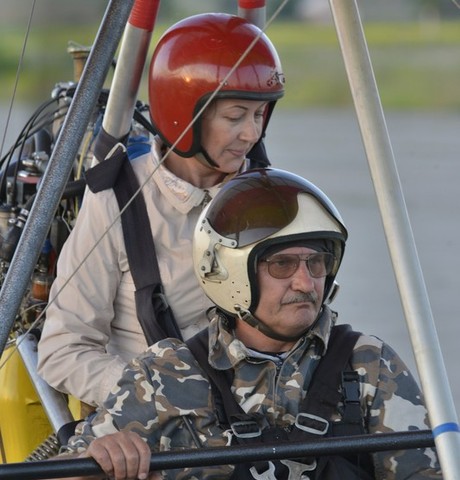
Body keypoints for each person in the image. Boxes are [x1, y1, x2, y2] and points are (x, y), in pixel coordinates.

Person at [54, 168, 442, 480]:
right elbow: (61, 473)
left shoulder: (369, 366)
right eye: (282, 264)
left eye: (317, 262)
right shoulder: (166, 375)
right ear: (231, 272)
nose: (306, 283)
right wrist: (99, 459)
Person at [37, 12, 285, 409]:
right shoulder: (117, 200)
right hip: (156, 426)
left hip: (259, 411)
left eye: (259, 115)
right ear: (184, 114)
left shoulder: (270, 196)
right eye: (235, 116)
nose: (251, 134)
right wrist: (160, 394)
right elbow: (62, 351)